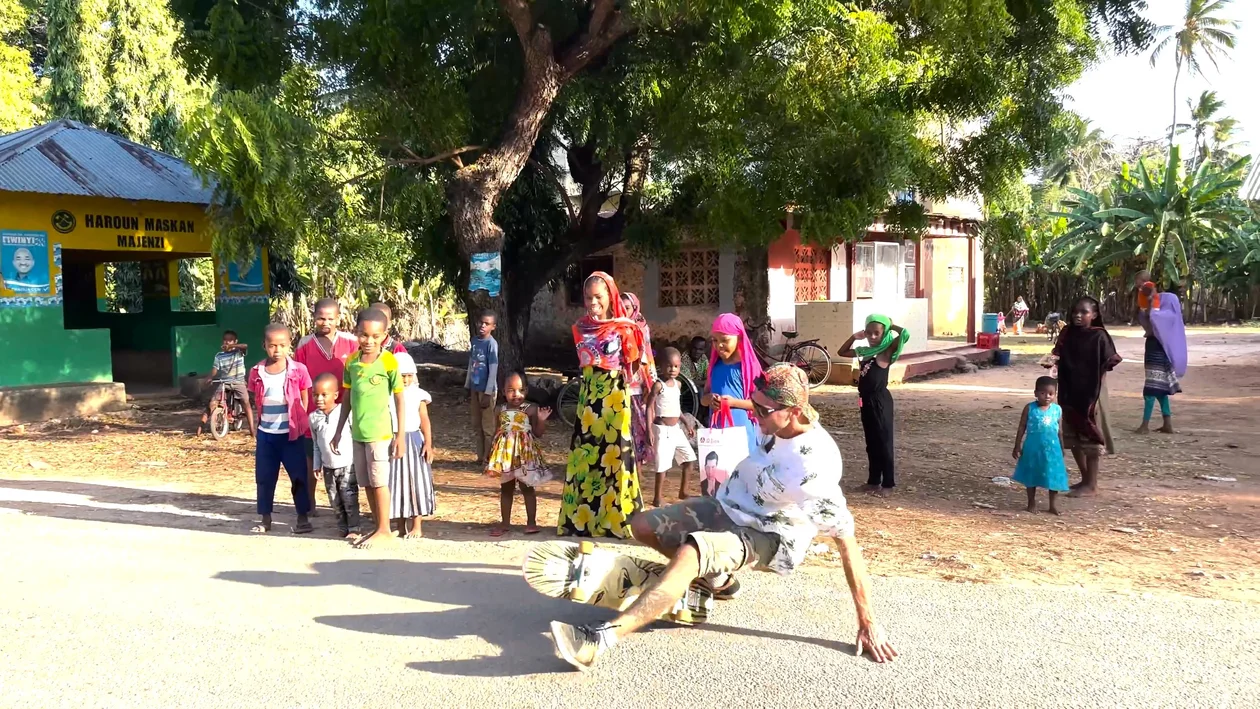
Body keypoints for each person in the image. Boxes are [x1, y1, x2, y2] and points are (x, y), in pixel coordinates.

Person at [548, 364, 898, 671]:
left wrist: (868, 621)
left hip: (767, 533)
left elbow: (846, 540)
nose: (754, 413)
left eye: (761, 409)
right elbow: (761, 404)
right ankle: (718, 582)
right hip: (728, 505)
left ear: (792, 411)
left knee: (691, 552)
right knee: (641, 525)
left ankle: (599, 640)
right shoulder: (778, 420)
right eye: (754, 403)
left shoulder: (813, 467)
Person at [557, 272, 646, 537]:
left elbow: (635, 366)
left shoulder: (624, 328)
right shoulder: (579, 329)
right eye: (588, 297)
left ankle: (616, 522)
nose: (593, 302)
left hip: (615, 400)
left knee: (615, 458)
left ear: (610, 296)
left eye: (598, 296)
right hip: (588, 400)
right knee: (586, 456)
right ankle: (583, 521)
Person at [332, 308, 406, 548]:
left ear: (385, 336)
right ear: (356, 333)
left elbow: (399, 399)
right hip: (358, 433)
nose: (369, 341)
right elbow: (347, 396)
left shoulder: (388, 361)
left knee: (380, 482)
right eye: (364, 335)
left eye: (375, 336)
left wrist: (400, 435)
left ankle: (385, 529)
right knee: (366, 483)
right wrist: (338, 429)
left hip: (380, 434)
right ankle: (377, 526)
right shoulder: (351, 362)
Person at [1048, 296, 1121, 497]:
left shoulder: (1099, 337)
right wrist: (1052, 362)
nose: (1078, 316)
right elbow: (1057, 354)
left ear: (1094, 315)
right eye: (1075, 312)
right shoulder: (1067, 333)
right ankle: (1085, 478)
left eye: (1084, 312)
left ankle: (1092, 484)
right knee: (1073, 437)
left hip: (1091, 393)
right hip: (1069, 391)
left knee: (1090, 437)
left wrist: (1094, 387)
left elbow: (1109, 362)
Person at [246, 323, 314, 534]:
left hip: (292, 435)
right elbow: (253, 397)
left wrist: (299, 420)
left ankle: (303, 518)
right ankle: (265, 519)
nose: (277, 350)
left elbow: (305, 396)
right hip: (267, 435)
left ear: (289, 345)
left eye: (282, 345)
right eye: (272, 345)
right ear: (264, 345)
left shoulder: (299, 370)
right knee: (265, 478)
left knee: (298, 476)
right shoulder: (256, 371)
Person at [294, 298, 359, 514]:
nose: (326, 322)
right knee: (311, 457)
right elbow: (298, 379)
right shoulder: (305, 345)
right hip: (314, 411)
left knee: (346, 458)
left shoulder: (350, 342)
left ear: (339, 318)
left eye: (330, 318)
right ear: (314, 318)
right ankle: (309, 503)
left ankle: (347, 506)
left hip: (344, 410)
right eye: (321, 318)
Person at [838, 315, 908, 496]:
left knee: (884, 442)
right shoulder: (865, 352)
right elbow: (842, 352)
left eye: (877, 333)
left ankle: (888, 484)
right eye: (869, 333)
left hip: (880, 401)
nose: (872, 337)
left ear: (884, 333)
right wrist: (854, 337)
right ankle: (873, 481)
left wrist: (892, 326)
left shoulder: (885, 352)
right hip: (866, 401)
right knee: (872, 443)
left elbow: (905, 334)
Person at [485, 371, 553, 536]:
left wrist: (542, 420)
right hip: (505, 456)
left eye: (521, 390)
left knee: (527, 488)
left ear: (527, 391)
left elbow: (537, 433)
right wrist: (490, 453)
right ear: (503, 392)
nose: (516, 394)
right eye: (511, 390)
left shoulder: (531, 409)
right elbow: (497, 432)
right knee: (506, 489)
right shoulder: (499, 409)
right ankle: (505, 523)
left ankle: (531, 522)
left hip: (524, 456)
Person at [389, 352, 435, 539]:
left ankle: (417, 526)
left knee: (416, 483)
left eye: (409, 375)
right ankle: (400, 526)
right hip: (393, 440)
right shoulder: (388, 394)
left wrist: (429, 444)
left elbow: (425, 420)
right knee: (396, 483)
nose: (406, 379)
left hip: (415, 441)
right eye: (402, 375)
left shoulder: (418, 395)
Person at [308, 373, 361, 539]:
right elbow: (316, 444)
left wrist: (358, 461)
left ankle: (354, 528)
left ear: (336, 395)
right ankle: (342, 527)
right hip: (328, 467)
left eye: (324, 394)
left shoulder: (345, 413)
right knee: (334, 499)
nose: (319, 399)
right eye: (315, 395)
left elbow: (355, 437)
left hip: (347, 464)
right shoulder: (313, 418)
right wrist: (317, 464)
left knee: (349, 497)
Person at [702, 313, 763, 455]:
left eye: (725, 340)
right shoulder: (715, 366)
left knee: (743, 474)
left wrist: (733, 402)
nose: (719, 346)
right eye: (715, 341)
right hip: (718, 435)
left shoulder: (749, 367)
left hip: (742, 435)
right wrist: (709, 399)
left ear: (740, 337)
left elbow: (761, 403)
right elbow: (703, 399)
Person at [1134, 273, 1187, 434]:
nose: (1140, 288)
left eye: (1141, 284)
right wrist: (1148, 302)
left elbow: (1157, 319)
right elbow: (1147, 321)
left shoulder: (1168, 301)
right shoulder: (1147, 304)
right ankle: (1167, 423)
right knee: (1161, 388)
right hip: (1153, 346)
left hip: (1158, 348)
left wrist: (1152, 299)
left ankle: (1145, 425)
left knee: (1150, 388)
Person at [645, 347, 698, 506]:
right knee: (663, 464)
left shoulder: (678, 385)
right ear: (660, 366)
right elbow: (649, 407)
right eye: (669, 366)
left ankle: (684, 492)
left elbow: (676, 407)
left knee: (690, 459)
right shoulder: (658, 386)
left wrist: (686, 422)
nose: (673, 369)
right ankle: (657, 498)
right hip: (663, 430)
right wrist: (649, 430)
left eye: (676, 366)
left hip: (676, 429)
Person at [1011, 376, 1069, 515]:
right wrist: (1017, 445)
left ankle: (1052, 505)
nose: (1047, 397)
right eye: (1043, 393)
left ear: (1055, 394)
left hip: (1053, 449)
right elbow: (1021, 427)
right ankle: (1031, 502)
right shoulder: (1030, 408)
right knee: (1032, 473)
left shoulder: (1057, 409)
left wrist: (1062, 447)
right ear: (1036, 393)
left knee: (1053, 475)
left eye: (1051, 394)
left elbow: (1059, 430)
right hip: (1033, 447)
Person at [621, 292, 657, 479]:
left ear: (634, 308)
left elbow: (647, 356)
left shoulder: (641, 328)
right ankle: (629, 471)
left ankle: (637, 471)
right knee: (624, 430)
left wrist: (650, 383)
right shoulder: (615, 326)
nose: (623, 311)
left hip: (637, 385)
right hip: (620, 386)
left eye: (627, 307)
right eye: (620, 307)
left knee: (639, 430)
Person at [197, 330, 254, 436]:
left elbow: (245, 346)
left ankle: (252, 430)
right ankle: (201, 426)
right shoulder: (219, 355)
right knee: (213, 402)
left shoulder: (239, 352)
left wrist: (233, 346)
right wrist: (209, 377)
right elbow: (215, 369)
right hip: (224, 382)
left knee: (245, 402)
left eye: (230, 340)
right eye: (225, 340)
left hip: (238, 382)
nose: (227, 342)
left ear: (235, 341)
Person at [465, 310, 500, 466]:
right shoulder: (475, 341)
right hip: (475, 387)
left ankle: (488, 456)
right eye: (481, 322)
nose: (482, 326)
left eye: (487, 324)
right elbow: (471, 363)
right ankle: (480, 456)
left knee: (487, 426)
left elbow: (493, 369)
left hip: (487, 390)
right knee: (476, 424)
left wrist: (488, 392)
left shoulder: (491, 344)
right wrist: (468, 385)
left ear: (493, 327)